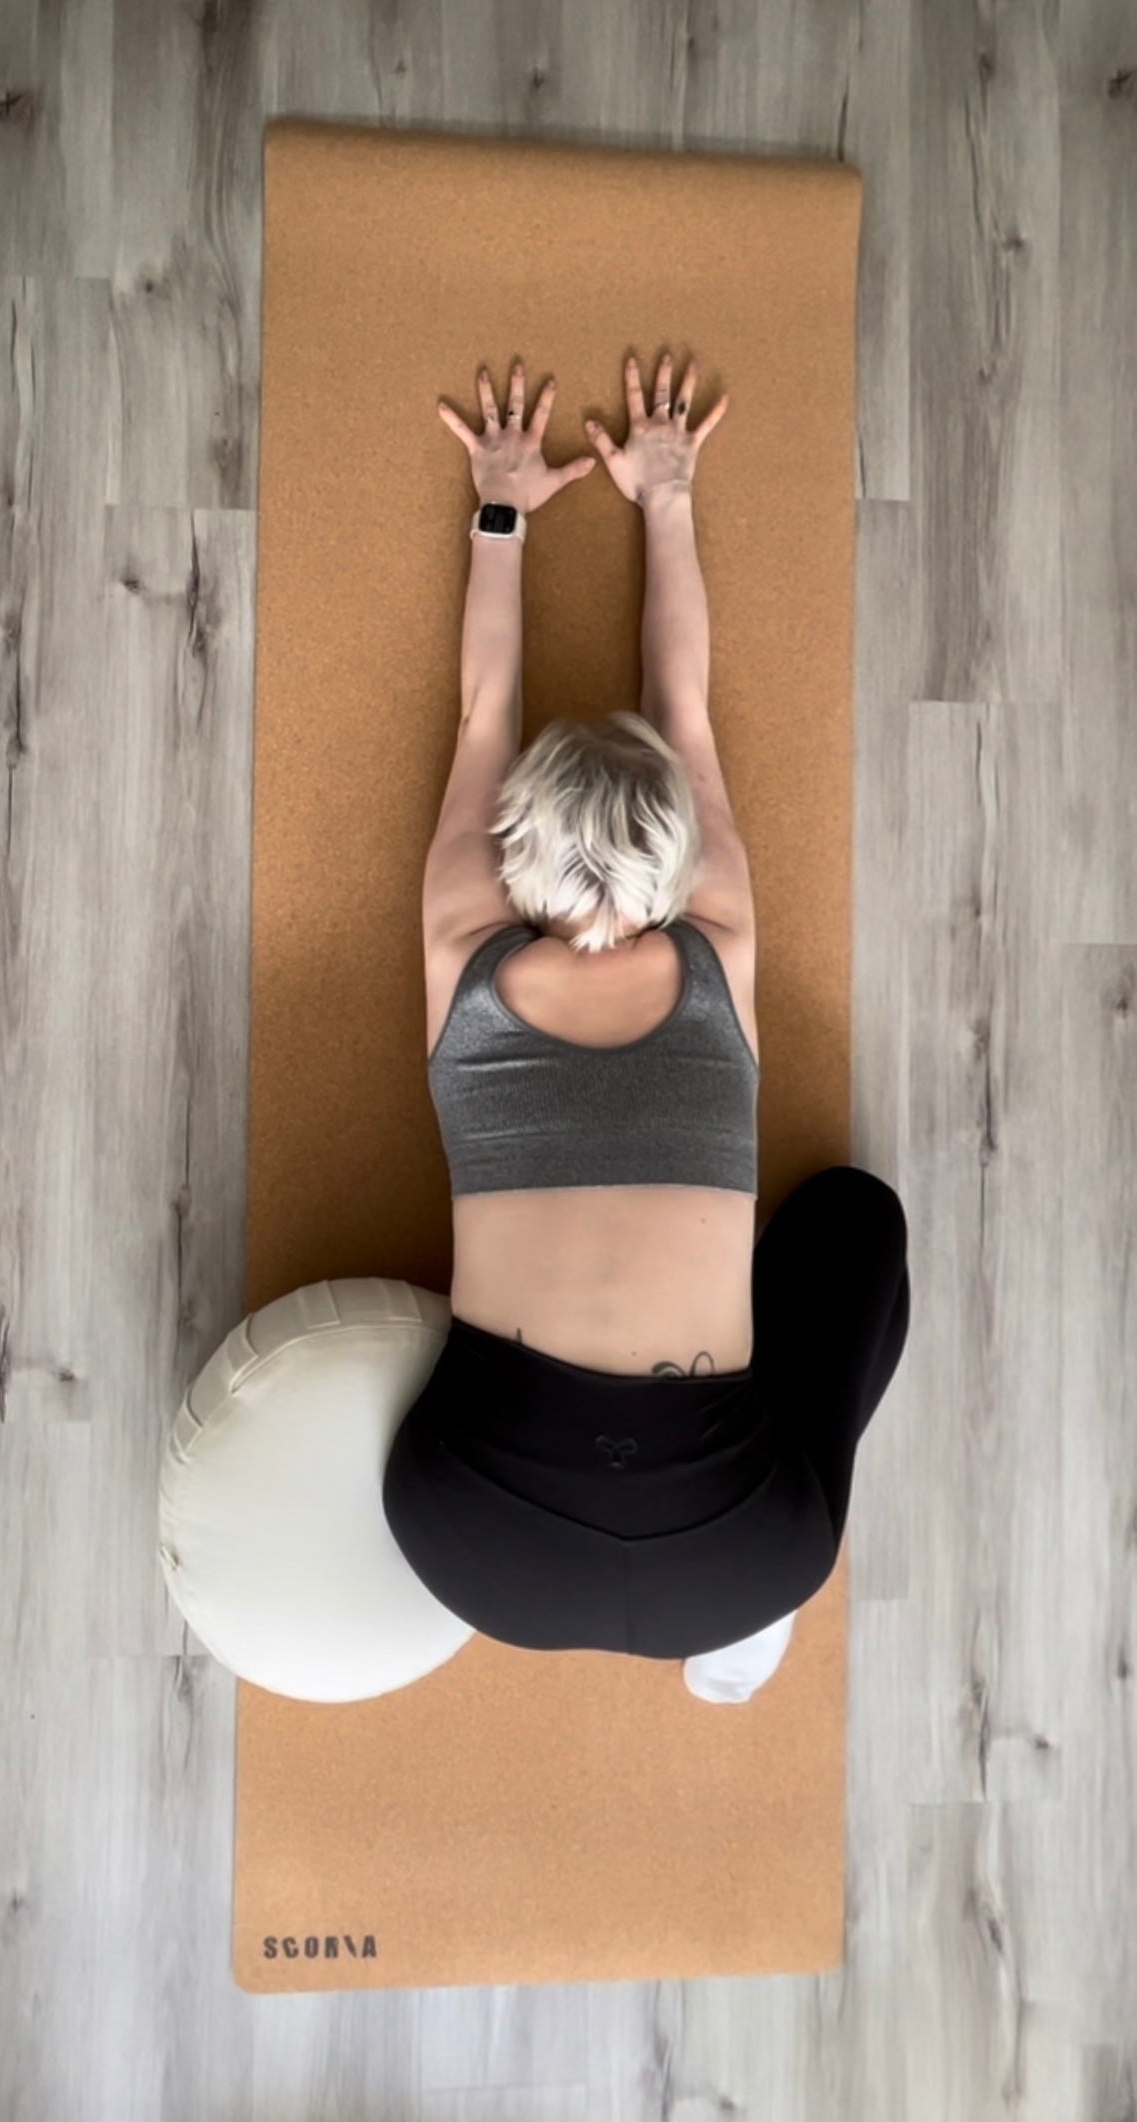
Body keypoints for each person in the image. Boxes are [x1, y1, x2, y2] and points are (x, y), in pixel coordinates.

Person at [381, 351, 911, 1702]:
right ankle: (728, 1624)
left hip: (709, 1551)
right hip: (478, 1542)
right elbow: (688, 707)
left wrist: (504, 510)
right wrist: (651, 499)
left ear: (514, 852)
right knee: (848, 1218)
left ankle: (735, 1617)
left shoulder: (464, 942)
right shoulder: (715, 936)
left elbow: (482, 712)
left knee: (858, 1222)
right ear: (677, 856)